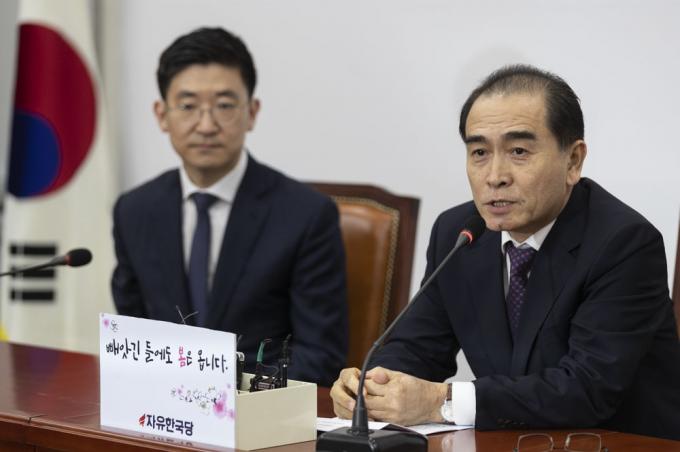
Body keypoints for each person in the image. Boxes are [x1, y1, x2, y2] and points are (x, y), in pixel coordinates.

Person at [330, 64, 680, 440]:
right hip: (512, 441)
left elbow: (586, 388)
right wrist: (373, 387)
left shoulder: (624, 243)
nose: (495, 175)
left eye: (518, 151)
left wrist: (439, 401)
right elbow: (418, 347)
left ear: (573, 161)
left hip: (616, 443)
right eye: (480, 152)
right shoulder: (459, 233)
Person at [111, 27, 348, 387]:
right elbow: (132, 337)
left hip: (259, 408)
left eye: (224, 105)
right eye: (188, 106)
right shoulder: (134, 211)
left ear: (252, 112)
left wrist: (229, 401)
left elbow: (319, 355)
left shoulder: (306, 215)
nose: (206, 125)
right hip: (161, 407)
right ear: (161, 115)